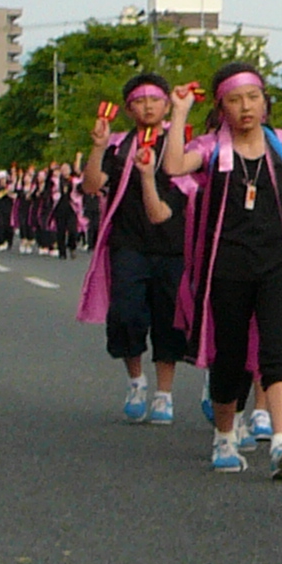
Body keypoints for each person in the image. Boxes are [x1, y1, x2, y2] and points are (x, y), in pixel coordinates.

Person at [163, 66, 282, 477]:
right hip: (227, 268)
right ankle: (225, 436)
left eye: (253, 97)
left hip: (279, 264)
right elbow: (174, 166)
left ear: (265, 102)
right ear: (221, 108)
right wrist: (179, 111)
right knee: (229, 357)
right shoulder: (211, 148)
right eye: (234, 100)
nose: (245, 107)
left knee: (277, 353)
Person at [78, 72, 190, 426]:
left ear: (166, 105)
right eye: (139, 102)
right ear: (128, 109)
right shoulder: (118, 147)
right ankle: (136, 382)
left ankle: (164, 393)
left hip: (172, 244)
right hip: (128, 243)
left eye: (155, 100)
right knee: (126, 313)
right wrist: (98, 147)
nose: (148, 107)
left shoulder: (181, 144)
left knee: (169, 318)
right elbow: (92, 186)